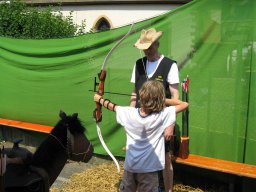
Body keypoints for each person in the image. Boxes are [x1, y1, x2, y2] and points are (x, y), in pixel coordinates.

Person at [94, 80, 188, 192]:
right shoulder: (162, 115)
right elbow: (184, 104)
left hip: (130, 168)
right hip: (149, 170)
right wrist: (160, 99)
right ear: (159, 99)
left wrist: (99, 99)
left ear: (141, 95)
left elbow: (113, 107)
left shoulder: (128, 113)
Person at [130, 28, 180, 192]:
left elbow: (175, 97)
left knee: (165, 159)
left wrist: (170, 124)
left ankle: (168, 190)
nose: (147, 51)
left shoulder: (169, 65)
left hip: (161, 120)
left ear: (157, 44)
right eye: (144, 48)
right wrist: (131, 116)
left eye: (150, 47)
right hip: (140, 119)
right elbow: (133, 94)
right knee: (138, 156)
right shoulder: (138, 65)